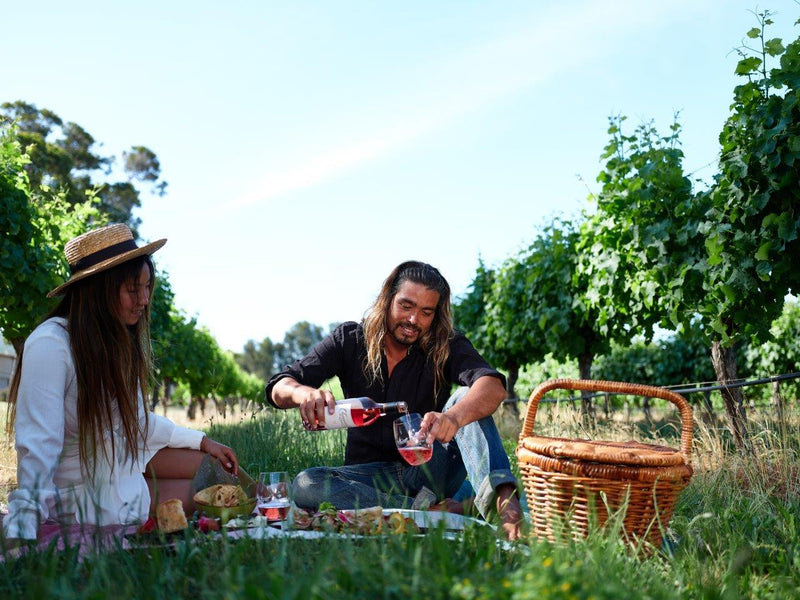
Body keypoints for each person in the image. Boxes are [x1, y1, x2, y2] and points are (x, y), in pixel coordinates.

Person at [3, 223, 239, 542]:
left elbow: (136, 421)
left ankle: (275, 502)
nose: (144, 300)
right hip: (87, 500)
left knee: (222, 474)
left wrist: (201, 441)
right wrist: (23, 531)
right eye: (132, 289)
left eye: (147, 287)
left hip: (125, 474)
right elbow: (38, 446)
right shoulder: (51, 345)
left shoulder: (115, 342)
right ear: (99, 290)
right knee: (216, 493)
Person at [266, 260, 523, 540]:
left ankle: (507, 507)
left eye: (426, 312)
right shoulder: (350, 340)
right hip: (368, 480)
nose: (413, 320)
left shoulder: (445, 343)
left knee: (465, 397)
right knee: (306, 484)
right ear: (388, 298)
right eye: (406, 306)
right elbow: (279, 386)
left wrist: (453, 417)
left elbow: (492, 386)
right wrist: (303, 393)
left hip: (428, 470)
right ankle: (433, 512)